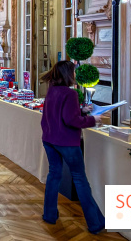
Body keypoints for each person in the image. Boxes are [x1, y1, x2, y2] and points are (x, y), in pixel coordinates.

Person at [40, 61, 105, 234]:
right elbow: (71, 120)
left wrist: (81, 111)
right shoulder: (70, 94)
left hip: (49, 139)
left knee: (54, 175)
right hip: (67, 142)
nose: (75, 75)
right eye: (74, 72)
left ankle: (49, 214)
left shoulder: (52, 90)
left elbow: (60, 113)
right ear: (68, 74)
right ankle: (95, 223)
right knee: (80, 179)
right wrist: (92, 120)